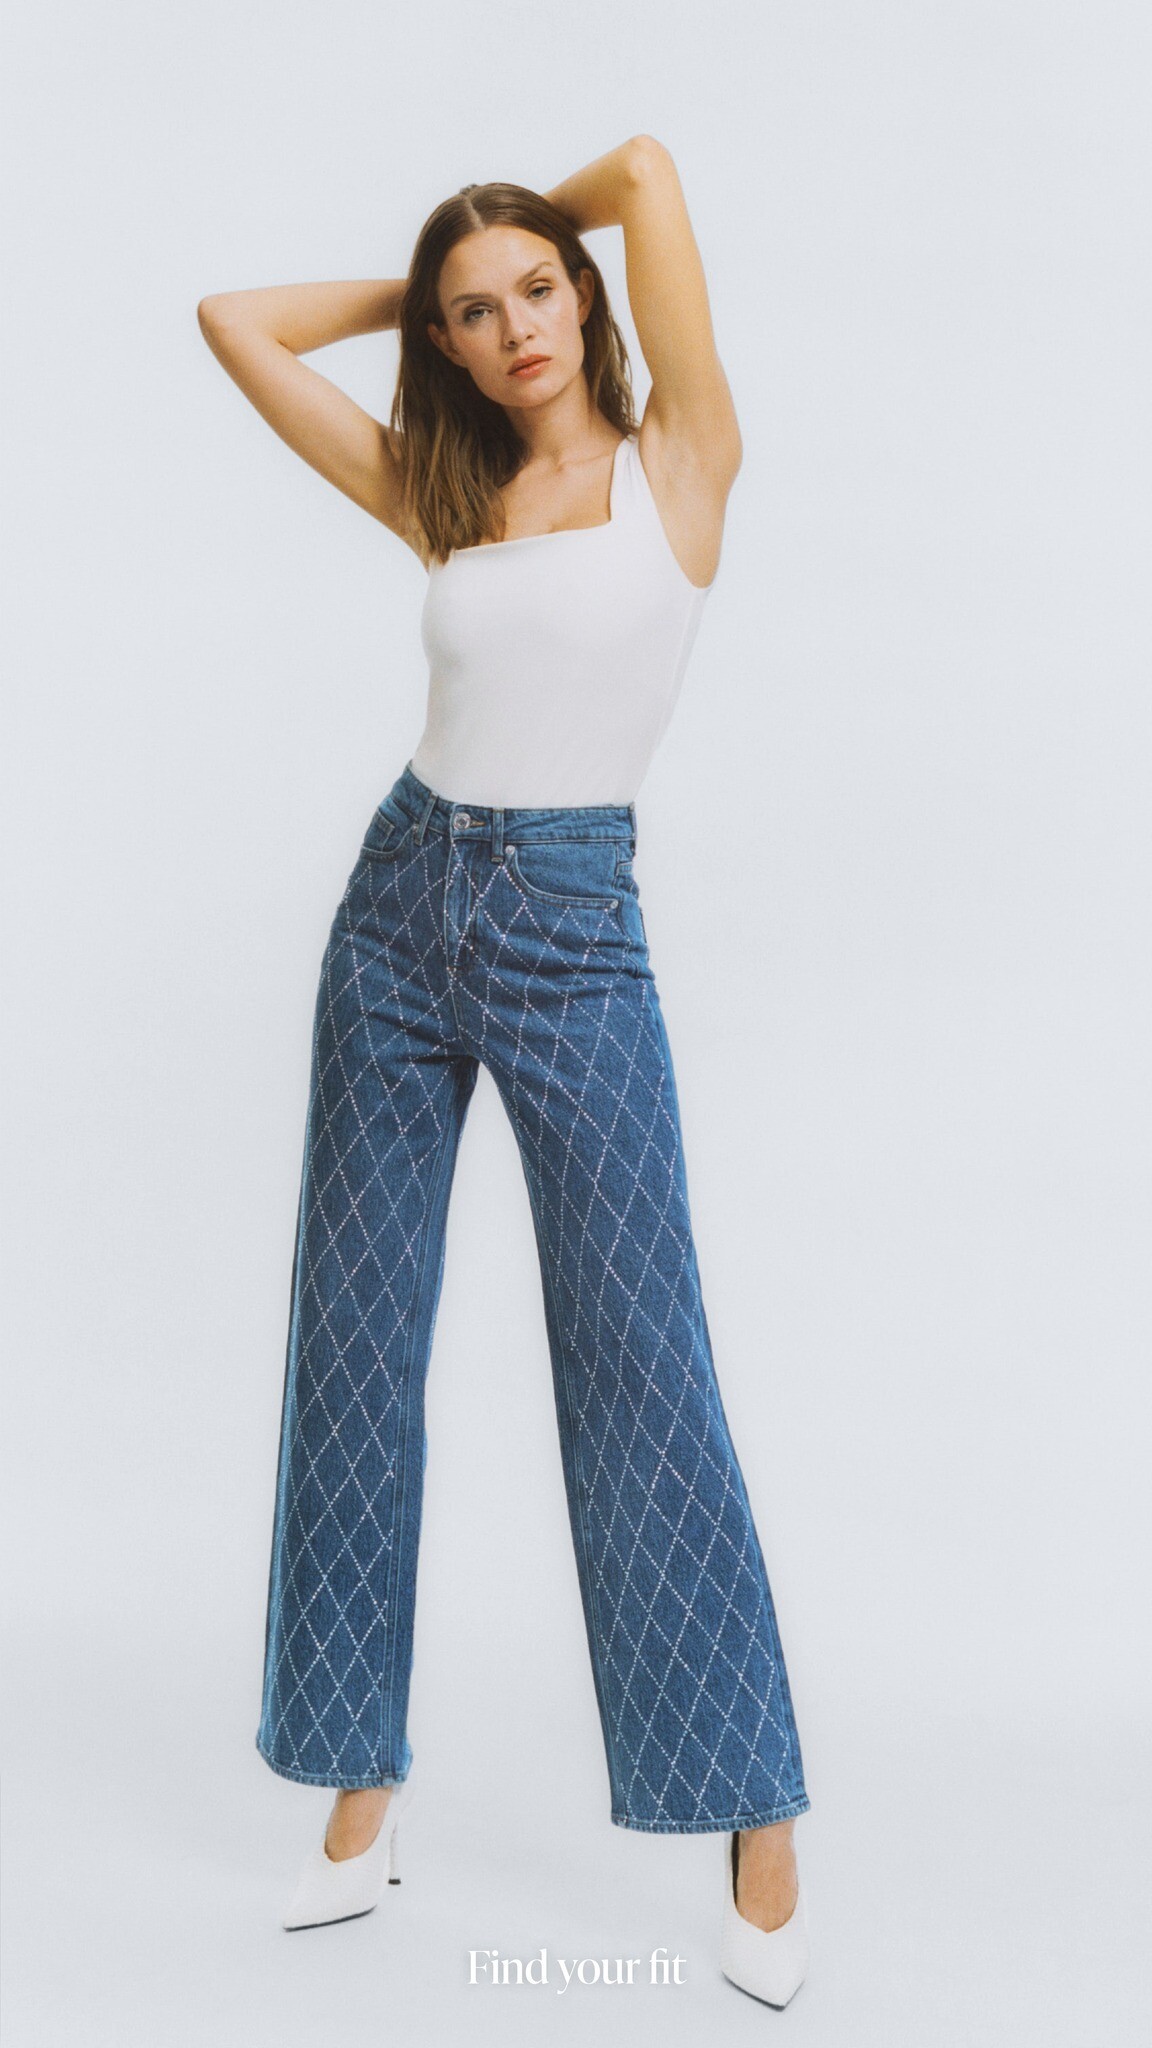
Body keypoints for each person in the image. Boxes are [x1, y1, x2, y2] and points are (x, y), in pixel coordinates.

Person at [198, 133, 812, 2007]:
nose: (513, 326)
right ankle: (358, 1789)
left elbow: (645, 167)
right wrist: (418, 285)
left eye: (536, 289)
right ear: (446, 345)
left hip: (570, 928)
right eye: (473, 313)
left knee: (640, 1360)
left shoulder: (681, 462)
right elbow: (231, 321)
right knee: (356, 1348)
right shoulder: (443, 493)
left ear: (585, 293)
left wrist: (520, 216)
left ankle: (756, 1815)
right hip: (397, 912)